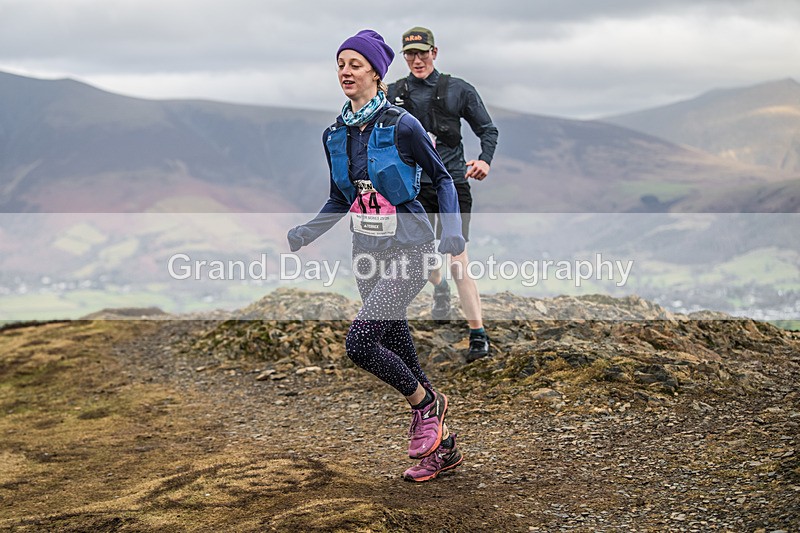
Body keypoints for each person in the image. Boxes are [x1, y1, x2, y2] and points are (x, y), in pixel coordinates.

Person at [287, 29, 465, 482]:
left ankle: (428, 405)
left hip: (410, 247)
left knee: (361, 343)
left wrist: (453, 233)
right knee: (393, 341)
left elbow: (442, 179)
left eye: (355, 64)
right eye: (341, 64)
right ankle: (443, 449)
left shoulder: (402, 125)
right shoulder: (334, 134)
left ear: (376, 73)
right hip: (366, 251)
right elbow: (338, 196)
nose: (345, 71)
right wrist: (309, 231)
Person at [388, 26, 499, 362]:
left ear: (435, 53)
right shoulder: (393, 93)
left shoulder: (458, 90)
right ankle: (438, 289)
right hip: (412, 190)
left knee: (457, 259)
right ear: (405, 57)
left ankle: (477, 334)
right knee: (422, 259)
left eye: (423, 52)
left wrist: (484, 161)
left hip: (452, 184)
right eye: (411, 54)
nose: (417, 59)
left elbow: (487, 129)